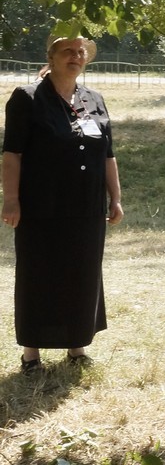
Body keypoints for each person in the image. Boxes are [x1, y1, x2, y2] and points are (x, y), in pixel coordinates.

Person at [1, 34, 124, 372]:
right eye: (68, 50)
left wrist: (115, 197)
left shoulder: (93, 98)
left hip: (87, 205)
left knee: (82, 272)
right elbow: (12, 154)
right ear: (51, 57)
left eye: (81, 51)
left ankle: (76, 346)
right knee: (38, 272)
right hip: (41, 204)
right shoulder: (27, 98)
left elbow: (107, 154)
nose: (76, 56)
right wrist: (10, 200)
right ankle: (31, 354)